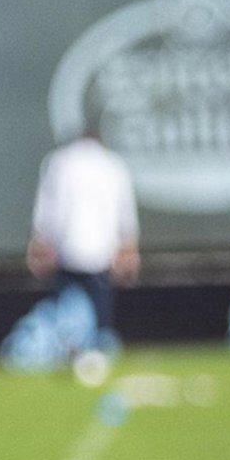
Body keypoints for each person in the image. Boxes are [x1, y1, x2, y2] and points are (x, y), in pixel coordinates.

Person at [27, 127, 140, 334]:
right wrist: (129, 250)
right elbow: (126, 216)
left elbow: (47, 212)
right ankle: (93, 346)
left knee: (67, 311)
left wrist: (40, 244)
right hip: (97, 255)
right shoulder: (113, 164)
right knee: (96, 318)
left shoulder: (60, 162)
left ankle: (76, 346)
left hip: (69, 253)